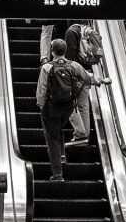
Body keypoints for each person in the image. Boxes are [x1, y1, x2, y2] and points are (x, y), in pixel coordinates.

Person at [36, 39, 111, 182]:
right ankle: (62, 155)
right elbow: (87, 78)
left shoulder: (47, 67)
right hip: (68, 108)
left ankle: (57, 174)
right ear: (64, 51)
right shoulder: (74, 65)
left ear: (52, 51)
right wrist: (101, 80)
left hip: (52, 108)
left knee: (52, 139)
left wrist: (41, 105)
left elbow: (42, 90)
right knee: (58, 128)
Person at [63, 22, 96, 146]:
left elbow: (70, 57)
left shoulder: (71, 31)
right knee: (83, 106)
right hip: (88, 72)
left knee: (68, 103)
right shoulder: (87, 29)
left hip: (76, 73)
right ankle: (85, 138)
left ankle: (80, 135)